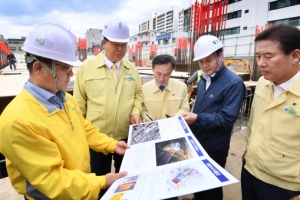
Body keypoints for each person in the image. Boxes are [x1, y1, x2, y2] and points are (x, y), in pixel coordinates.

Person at [0, 23, 129, 200]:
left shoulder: (64, 99)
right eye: (65, 68)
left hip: (78, 188)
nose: (71, 74)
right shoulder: (19, 121)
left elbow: (83, 129)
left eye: (71, 68)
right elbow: (53, 180)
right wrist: (100, 182)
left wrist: (111, 144)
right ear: (38, 68)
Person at [73, 17, 143, 198]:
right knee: (99, 181)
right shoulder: (87, 68)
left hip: (125, 137)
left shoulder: (131, 69)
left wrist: (136, 112)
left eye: (124, 44)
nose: (120, 49)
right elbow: (78, 106)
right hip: (97, 139)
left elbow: (138, 95)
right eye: (115, 44)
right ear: (104, 42)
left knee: (126, 180)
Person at [182, 35, 246, 200]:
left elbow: (226, 120)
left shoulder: (234, 83)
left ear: (220, 56)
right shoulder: (203, 78)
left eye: (208, 60)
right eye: (201, 62)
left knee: (211, 190)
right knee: (198, 185)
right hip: (198, 143)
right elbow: (200, 107)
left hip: (214, 147)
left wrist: (196, 118)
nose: (204, 66)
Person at [241, 25, 300, 200]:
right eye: (258, 56)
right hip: (251, 170)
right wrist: (248, 149)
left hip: (284, 186)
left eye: (269, 56)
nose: (260, 63)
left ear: (295, 56)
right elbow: (254, 122)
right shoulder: (262, 83)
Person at [141, 54, 190, 122]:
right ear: (152, 69)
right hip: (153, 128)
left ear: (171, 72)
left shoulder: (182, 87)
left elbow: (185, 109)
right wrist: (147, 118)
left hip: (173, 127)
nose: (161, 79)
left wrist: (176, 116)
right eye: (159, 74)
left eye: (166, 74)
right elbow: (142, 110)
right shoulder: (143, 89)